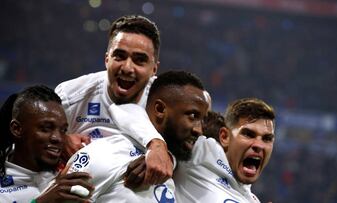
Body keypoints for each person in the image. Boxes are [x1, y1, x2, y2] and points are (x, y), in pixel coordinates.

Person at [55, 15, 173, 185]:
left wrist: (168, 156)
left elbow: (192, 146)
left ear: (154, 69)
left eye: (139, 60)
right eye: (120, 56)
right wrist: (61, 140)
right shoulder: (71, 95)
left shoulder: (167, 100)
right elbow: (28, 135)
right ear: (106, 59)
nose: (127, 68)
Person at [65, 70, 209, 202]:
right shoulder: (107, 153)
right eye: (193, 116)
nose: (199, 130)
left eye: (202, 119)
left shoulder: (173, 162)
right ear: (159, 109)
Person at [0, 85, 94, 203]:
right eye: (46, 128)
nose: (58, 138)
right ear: (17, 129)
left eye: (63, 130)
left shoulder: (71, 167)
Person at [174, 98, 276, 202]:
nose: (259, 145)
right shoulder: (204, 151)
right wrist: (157, 141)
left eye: (267, 139)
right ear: (225, 137)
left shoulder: (252, 199)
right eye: (248, 134)